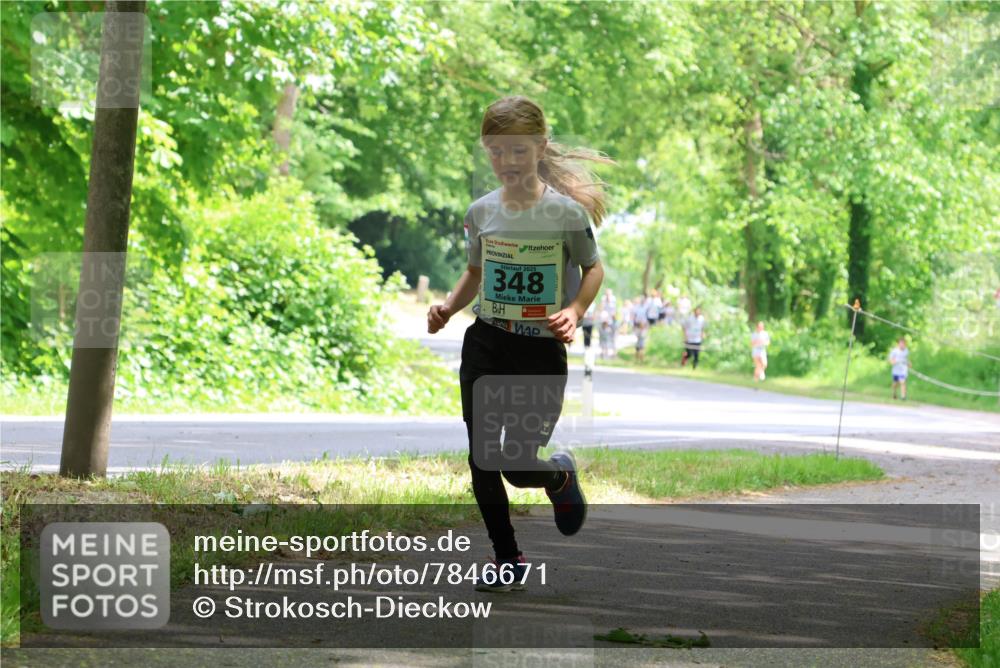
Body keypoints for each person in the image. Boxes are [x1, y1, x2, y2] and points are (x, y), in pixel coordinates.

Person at [427, 96, 612, 592]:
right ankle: (508, 559)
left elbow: (593, 269)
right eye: (496, 151)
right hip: (487, 341)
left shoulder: (566, 215)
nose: (507, 162)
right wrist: (447, 308)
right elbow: (474, 271)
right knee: (483, 456)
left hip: (539, 353)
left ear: (540, 148)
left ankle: (556, 478)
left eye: (518, 151)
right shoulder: (480, 212)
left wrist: (574, 311)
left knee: (516, 462)